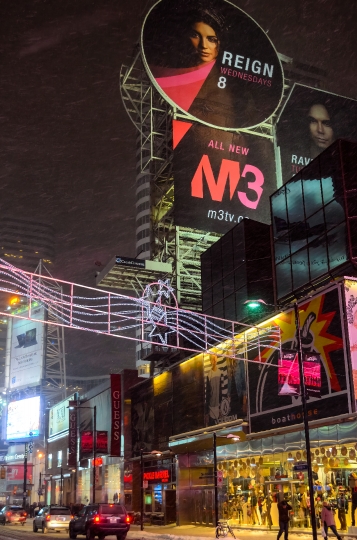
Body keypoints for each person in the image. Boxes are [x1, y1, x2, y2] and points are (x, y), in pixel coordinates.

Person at [204, 353, 228, 426]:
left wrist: (222, 407)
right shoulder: (209, 375)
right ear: (210, 361)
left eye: (215, 358)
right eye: (212, 359)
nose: (214, 360)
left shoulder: (220, 373)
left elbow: (223, 390)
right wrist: (206, 412)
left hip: (219, 406)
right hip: (211, 407)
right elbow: (207, 393)